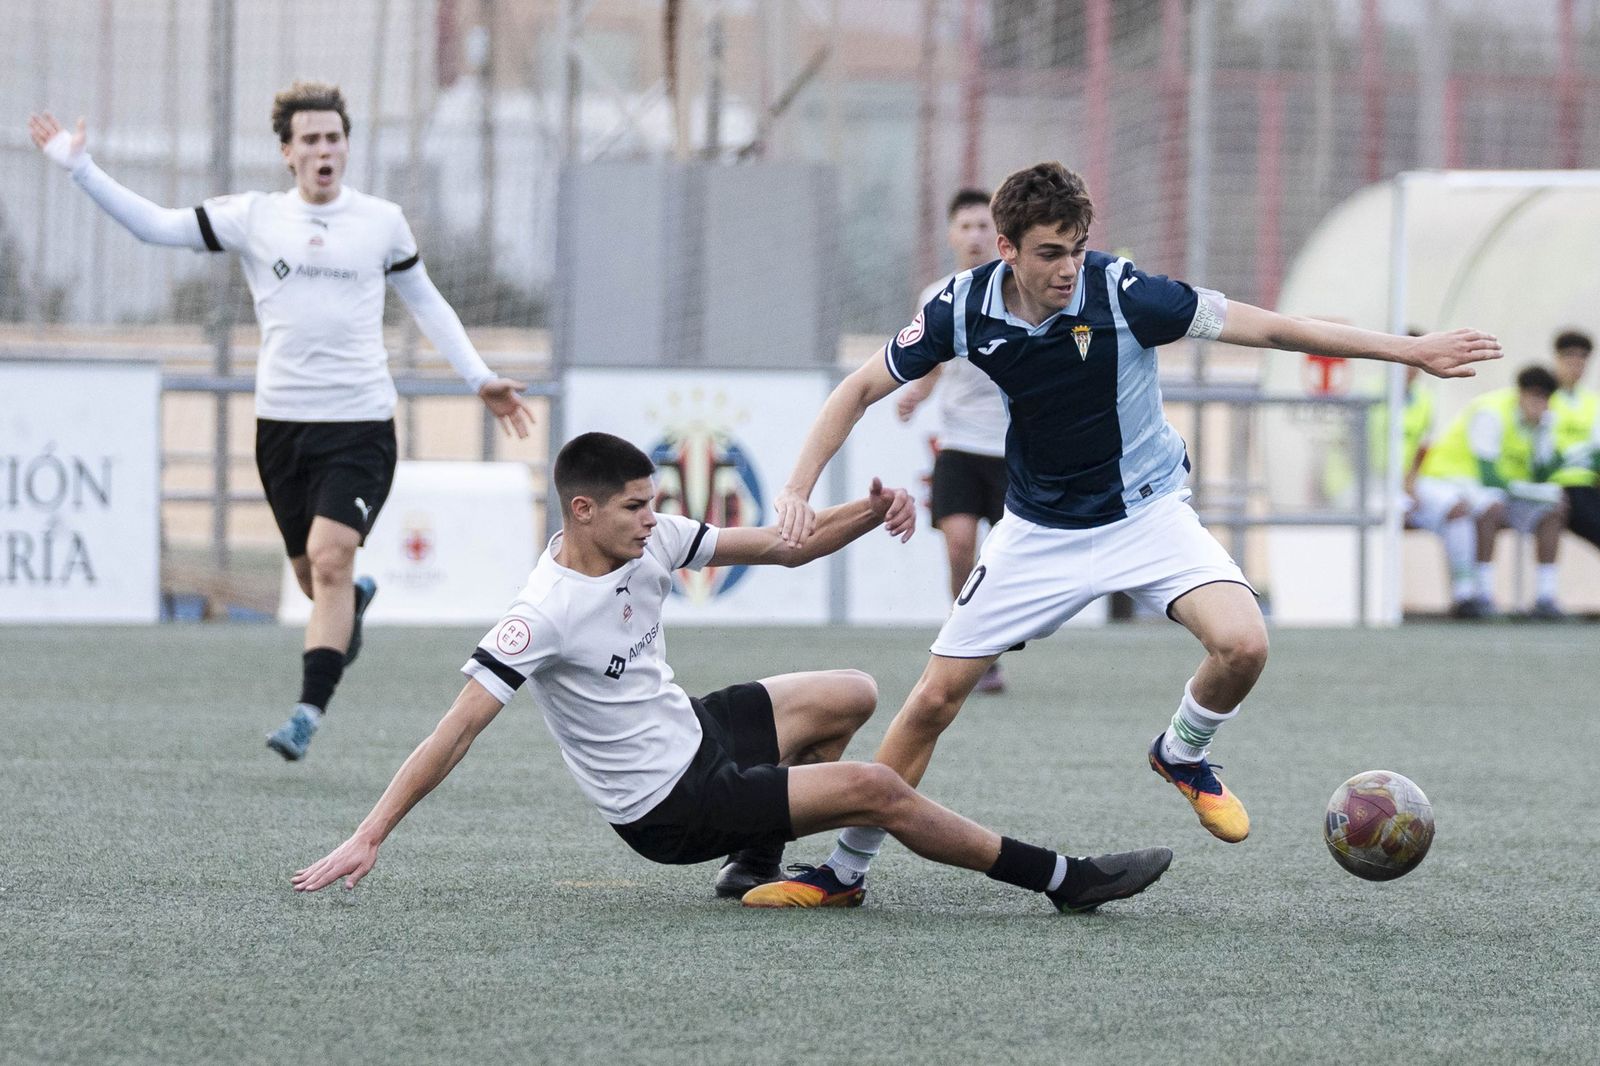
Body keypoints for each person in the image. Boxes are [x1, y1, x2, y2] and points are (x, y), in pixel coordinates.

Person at [752, 161, 1500, 906]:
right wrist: (794, 489)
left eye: (1078, 247)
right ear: (1006, 249)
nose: (1069, 268)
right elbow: (858, 389)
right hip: (1039, 532)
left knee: (1244, 645)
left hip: (1148, 515)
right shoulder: (961, 307)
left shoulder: (1125, 292)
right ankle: (845, 872)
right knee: (932, 702)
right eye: (1051, 252)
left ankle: (1183, 750)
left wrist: (1411, 351)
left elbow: (1269, 327)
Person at [290, 432, 1174, 916]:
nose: (653, 518)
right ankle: (1065, 880)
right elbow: (455, 730)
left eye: (652, 502)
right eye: (634, 506)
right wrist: (372, 834)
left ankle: (752, 867)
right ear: (582, 510)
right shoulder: (541, 613)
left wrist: (870, 512)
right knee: (875, 787)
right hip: (666, 808)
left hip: (696, 734)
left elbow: (788, 549)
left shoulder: (653, 536)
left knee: (853, 693)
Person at [28, 83, 535, 760]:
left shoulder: (381, 221)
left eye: (335, 138)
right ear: (287, 152)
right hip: (281, 431)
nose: (325, 150)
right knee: (311, 574)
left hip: (360, 425)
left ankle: (307, 710)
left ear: (346, 146)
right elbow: (155, 225)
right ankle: (348, 603)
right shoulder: (255, 216)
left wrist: (480, 379)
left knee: (329, 559)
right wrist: (80, 166)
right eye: (312, 140)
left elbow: (429, 302)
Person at [896, 188, 1011, 694]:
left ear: (1000, 234)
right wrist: (917, 394)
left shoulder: (1020, 291)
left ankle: (992, 641)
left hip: (1015, 451)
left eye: (984, 226)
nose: (975, 236)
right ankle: (968, 646)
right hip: (960, 445)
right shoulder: (937, 295)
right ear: (951, 235)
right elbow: (934, 358)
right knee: (960, 546)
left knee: (1006, 560)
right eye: (965, 227)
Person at [1415, 366, 1567, 619]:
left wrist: (1544, 434)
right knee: (1490, 508)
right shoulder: (1491, 412)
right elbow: (1489, 477)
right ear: (1520, 393)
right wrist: (1535, 492)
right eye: (1534, 396)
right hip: (1451, 479)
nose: (1538, 404)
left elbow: (1542, 474)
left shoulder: (1543, 422)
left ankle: (1545, 596)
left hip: (1496, 489)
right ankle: (1481, 594)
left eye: (1544, 399)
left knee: (1555, 508)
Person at [1548, 330, 1600, 559]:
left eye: (1582, 361)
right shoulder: (1543, 397)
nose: (1576, 366)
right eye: (1570, 359)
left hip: (1586, 484)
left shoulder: (1591, 402)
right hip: (1556, 484)